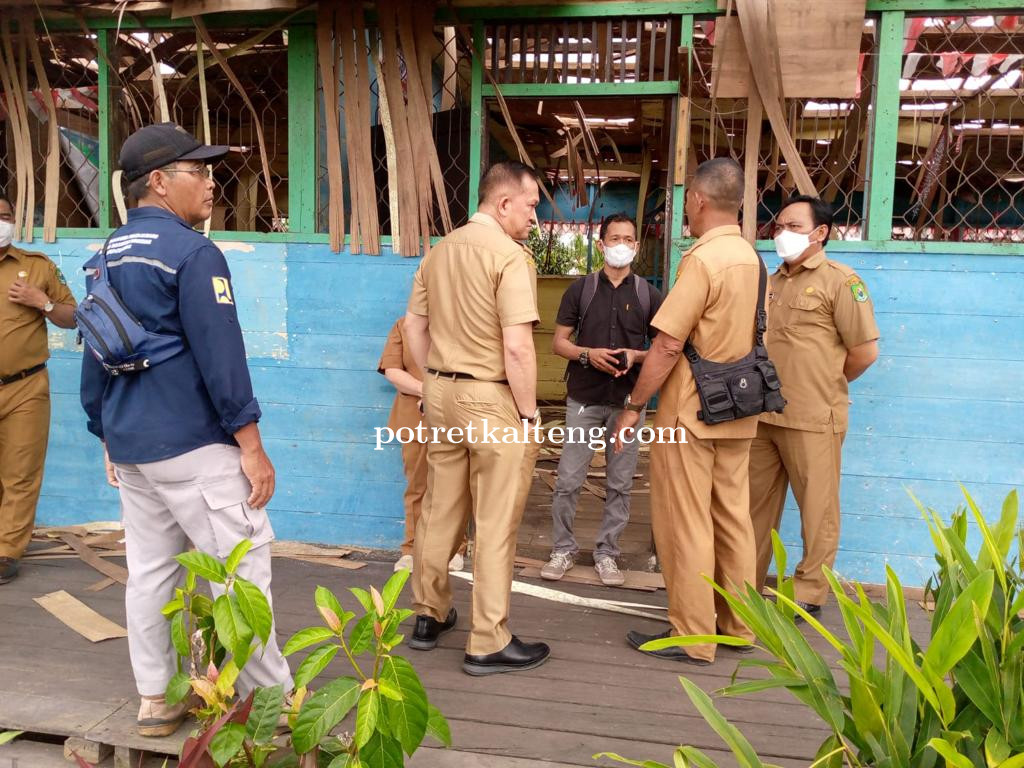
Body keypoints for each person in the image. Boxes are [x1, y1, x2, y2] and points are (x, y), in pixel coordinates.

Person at [79, 123, 293, 736]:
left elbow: (95, 353)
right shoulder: (193, 253)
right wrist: (250, 445)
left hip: (134, 447)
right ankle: (273, 705)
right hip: (193, 445)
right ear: (158, 182)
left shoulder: (104, 258)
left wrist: (105, 435)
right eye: (197, 172)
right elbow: (222, 356)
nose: (210, 181)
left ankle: (155, 698)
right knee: (241, 569)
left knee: (151, 571)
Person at [403, 161, 550, 676]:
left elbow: (413, 328)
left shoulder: (438, 252)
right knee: (494, 521)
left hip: (439, 392)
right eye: (531, 205)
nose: (534, 217)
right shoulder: (509, 258)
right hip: (489, 398)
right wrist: (529, 414)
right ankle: (488, 640)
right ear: (503, 203)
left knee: (440, 507)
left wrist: (432, 381)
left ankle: (429, 613)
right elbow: (517, 348)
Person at [613, 158, 762, 665]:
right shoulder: (752, 259)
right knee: (733, 517)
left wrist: (634, 407)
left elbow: (669, 344)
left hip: (691, 412)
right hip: (740, 406)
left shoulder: (703, 260)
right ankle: (739, 626)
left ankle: (694, 635)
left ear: (698, 200)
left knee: (686, 520)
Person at [748, 195, 879, 615]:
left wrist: (825, 384)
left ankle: (807, 595)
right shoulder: (770, 281)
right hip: (765, 416)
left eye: (793, 226)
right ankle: (744, 589)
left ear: (821, 233)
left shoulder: (841, 281)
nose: (781, 233)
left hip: (813, 418)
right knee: (751, 509)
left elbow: (864, 352)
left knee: (817, 513)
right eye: (779, 226)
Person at [541, 213, 663, 586]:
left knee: (620, 482)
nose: (621, 245)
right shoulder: (580, 290)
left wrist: (635, 355)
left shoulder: (648, 294)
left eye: (628, 238)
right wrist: (586, 354)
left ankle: (607, 554)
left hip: (628, 404)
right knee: (568, 478)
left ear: (637, 247)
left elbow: (662, 348)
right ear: (601, 244)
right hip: (584, 397)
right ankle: (562, 549)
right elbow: (559, 342)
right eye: (614, 238)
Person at [0, 194, 77, 585]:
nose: (1, 222)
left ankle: (7, 551)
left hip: (25, 386)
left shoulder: (35, 267)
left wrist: (42, 302)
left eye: (5, 216)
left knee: (21, 471)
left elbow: (73, 317)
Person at [377, 316, 466, 573]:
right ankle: (412, 549)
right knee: (417, 487)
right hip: (414, 419)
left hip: (456, 416)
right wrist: (426, 391)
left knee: (455, 487)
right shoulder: (402, 325)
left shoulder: (461, 322)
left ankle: (454, 548)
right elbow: (392, 371)